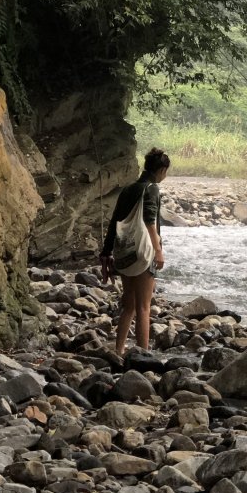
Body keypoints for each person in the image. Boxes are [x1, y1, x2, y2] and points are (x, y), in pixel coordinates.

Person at [100, 147, 170, 355]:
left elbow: (114, 222)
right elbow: (150, 221)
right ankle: (143, 355)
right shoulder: (151, 189)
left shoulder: (128, 189)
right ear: (161, 170)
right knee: (144, 307)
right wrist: (158, 251)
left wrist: (106, 252)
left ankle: (119, 349)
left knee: (128, 305)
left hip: (125, 252)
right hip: (142, 253)